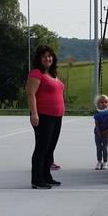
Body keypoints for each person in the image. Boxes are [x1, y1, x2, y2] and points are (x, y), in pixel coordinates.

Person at [26, 45, 65, 189]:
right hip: (43, 116)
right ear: (39, 58)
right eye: (44, 56)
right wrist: (34, 113)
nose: (47, 58)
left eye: (49, 56)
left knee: (50, 148)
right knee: (41, 148)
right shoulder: (36, 73)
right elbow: (31, 94)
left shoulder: (52, 74)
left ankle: (47, 176)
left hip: (56, 116)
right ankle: (37, 180)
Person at [93, 94, 108, 170]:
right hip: (97, 133)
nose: (104, 104)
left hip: (106, 133)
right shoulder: (97, 112)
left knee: (105, 148)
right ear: (97, 104)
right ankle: (99, 161)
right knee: (98, 148)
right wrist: (99, 132)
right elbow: (97, 123)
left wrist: (107, 131)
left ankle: (105, 162)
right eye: (101, 102)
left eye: (106, 102)